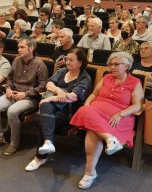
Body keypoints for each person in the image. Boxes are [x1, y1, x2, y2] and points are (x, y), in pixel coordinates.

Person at [70, 52, 144, 189]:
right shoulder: (106, 77)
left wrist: (120, 114)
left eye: (117, 64)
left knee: (93, 131)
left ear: (127, 66)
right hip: (97, 113)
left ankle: (89, 174)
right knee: (85, 110)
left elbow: (137, 105)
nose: (113, 67)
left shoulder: (135, 82)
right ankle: (109, 139)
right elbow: (94, 94)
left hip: (119, 118)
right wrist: (87, 102)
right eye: (111, 64)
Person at [25, 48, 92, 172]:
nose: (67, 62)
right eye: (67, 59)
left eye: (71, 60)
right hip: (52, 109)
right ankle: (46, 145)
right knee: (46, 112)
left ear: (80, 62)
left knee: (44, 116)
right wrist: (59, 91)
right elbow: (49, 84)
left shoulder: (85, 78)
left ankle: (41, 156)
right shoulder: (62, 71)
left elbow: (72, 97)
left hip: (68, 112)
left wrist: (50, 99)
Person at [0, 37, 48, 156]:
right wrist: (8, 88)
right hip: (13, 93)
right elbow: (9, 78)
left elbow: (43, 86)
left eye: (22, 47)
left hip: (30, 97)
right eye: (18, 47)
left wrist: (25, 93)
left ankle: (14, 142)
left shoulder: (40, 64)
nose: (18, 49)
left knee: (12, 111)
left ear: (31, 48)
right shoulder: (16, 60)